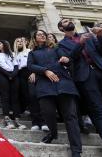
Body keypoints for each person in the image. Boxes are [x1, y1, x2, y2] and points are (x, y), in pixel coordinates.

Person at [58, 18, 102, 157]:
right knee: (97, 111)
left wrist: (100, 36)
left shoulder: (86, 34)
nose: (68, 21)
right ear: (61, 28)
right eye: (64, 21)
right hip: (85, 77)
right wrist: (79, 44)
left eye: (69, 20)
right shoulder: (61, 44)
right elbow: (69, 59)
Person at [28, 29, 82, 157]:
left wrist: (66, 60)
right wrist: (45, 71)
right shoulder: (32, 53)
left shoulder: (56, 49)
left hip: (63, 84)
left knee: (71, 118)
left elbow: (69, 61)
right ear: (34, 38)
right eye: (38, 34)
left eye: (43, 34)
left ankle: (76, 151)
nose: (41, 35)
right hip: (45, 86)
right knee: (48, 113)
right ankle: (53, 133)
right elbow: (30, 66)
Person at [0, 40, 26, 129]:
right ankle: (7, 119)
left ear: (4, 44)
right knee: (5, 97)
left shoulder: (12, 54)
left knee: (15, 97)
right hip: (2, 75)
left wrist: (13, 74)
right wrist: (8, 74)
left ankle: (17, 119)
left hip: (14, 76)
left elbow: (16, 65)